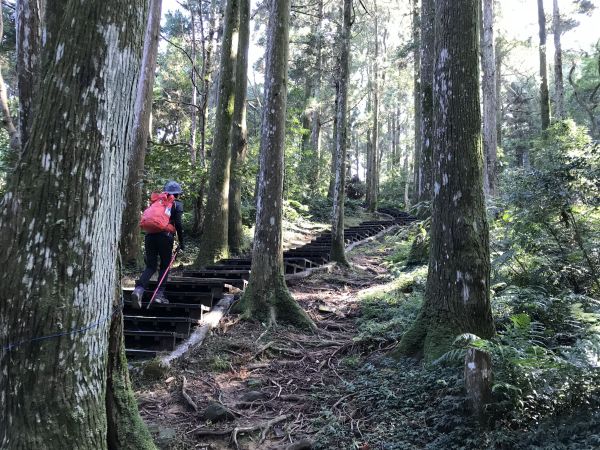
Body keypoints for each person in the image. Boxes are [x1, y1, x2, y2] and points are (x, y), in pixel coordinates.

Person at [131, 181, 185, 308]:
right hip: (165, 237)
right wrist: (182, 242)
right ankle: (159, 294)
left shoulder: (157, 203)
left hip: (150, 236)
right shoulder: (176, 204)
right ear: (177, 194)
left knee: (150, 266)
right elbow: (179, 224)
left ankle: (138, 290)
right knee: (165, 266)